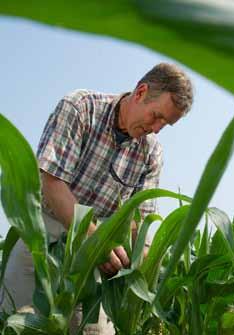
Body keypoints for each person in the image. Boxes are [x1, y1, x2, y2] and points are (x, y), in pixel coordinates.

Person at [1, 62, 193, 334]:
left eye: (166, 124)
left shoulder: (152, 153)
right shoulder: (81, 108)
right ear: (140, 93)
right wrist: (95, 239)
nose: (157, 129)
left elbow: (141, 217)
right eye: (156, 116)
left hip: (97, 256)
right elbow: (52, 181)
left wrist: (145, 258)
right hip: (43, 232)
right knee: (18, 321)